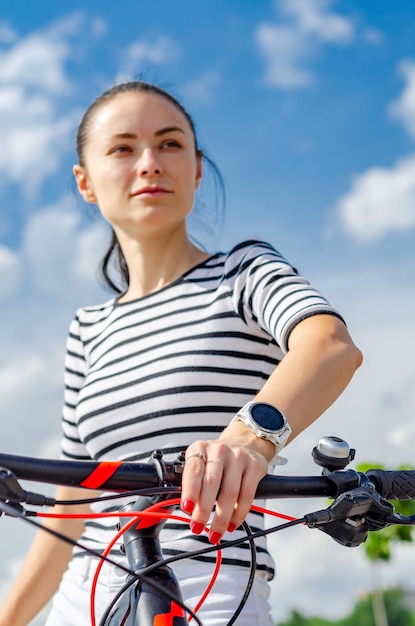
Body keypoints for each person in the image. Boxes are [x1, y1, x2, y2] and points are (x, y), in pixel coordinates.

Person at [0, 80, 362, 626]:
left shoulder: (243, 271)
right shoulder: (88, 329)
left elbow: (330, 346)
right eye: (122, 148)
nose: (149, 162)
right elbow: (73, 504)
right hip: (85, 590)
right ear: (86, 183)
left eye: (170, 144)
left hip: (211, 580)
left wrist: (249, 440)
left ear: (195, 170)